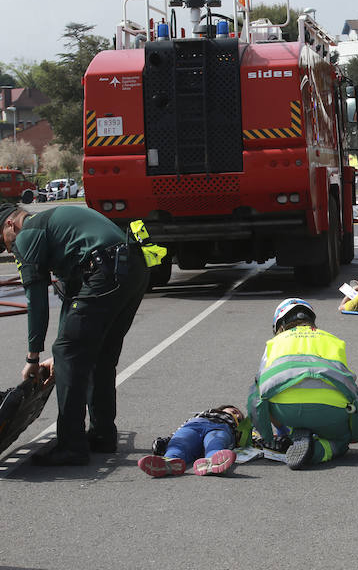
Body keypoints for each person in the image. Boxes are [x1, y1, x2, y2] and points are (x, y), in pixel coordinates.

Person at [0, 203, 150, 466]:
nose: (7, 249)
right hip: (133, 268)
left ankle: (72, 446)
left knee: (69, 351)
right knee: (99, 355)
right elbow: (72, 300)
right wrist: (61, 349)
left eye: (3, 240)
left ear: (11, 225)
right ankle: (102, 435)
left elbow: (36, 300)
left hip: (107, 268)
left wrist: (33, 357)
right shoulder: (57, 229)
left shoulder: (27, 235)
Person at [248, 298, 358, 470]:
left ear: (278, 325)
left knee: (261, 388)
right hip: (329, 409)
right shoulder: (333, 339)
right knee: (339, 441)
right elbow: (347, 382)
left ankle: (287, 433)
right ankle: (316, 450)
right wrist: (353, 434)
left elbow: (260, 388)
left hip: (285, 410)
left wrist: (267, 436)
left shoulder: (273, 344)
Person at [137, 405, 245, 477]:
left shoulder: (239, 428)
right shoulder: (207, 413)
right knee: (181, 442)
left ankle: (212, 461)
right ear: (222, 409)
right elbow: (179, 432)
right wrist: (167, 440)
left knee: (216, 441)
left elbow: (254, 439)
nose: (237, 414)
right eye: (233, 410)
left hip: (220, 428)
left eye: (239, 417)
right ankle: (169, 461)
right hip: (194, 425)